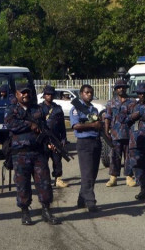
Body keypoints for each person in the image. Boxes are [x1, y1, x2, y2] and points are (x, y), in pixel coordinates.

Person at [5, 82, 59, 225]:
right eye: (22, 92)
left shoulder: (38, 109)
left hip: (38, 153)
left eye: (27, 92)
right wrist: (30, 125)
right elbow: (11, 125)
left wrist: (50, 142)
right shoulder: (12, 110)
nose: (25, 95)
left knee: (44, 182)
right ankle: (25, 212)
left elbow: (44, 128)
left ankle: (46, 210)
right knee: (23, 184)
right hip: (20, 154)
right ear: (17, 94)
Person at [70, 84, 103, 212]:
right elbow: (76, 126)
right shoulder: (76, 109)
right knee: (87, 173)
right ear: (81, 94)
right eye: (86, 92)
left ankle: (81, 199)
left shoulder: (94, 109)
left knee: (93, 174)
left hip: (95, 141)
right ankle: (91, 202)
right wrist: (93, 125)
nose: (89, 94)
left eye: (90, 92)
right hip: (84, 143)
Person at [103, 80, 136, 188]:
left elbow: (136, 116)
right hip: (115, 133)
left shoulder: (132, 102)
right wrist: (106, 131)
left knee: (129, 156)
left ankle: (129, 177)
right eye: (119, 87)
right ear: (116, 89)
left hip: (129, 133)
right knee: (114, 156)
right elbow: (107, 117)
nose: (121, 89)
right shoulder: (111, 102)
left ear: (126, 88)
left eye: (123, 87)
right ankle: (113, 177)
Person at [39, 85, 68, 188]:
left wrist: (64, 138)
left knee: (57, 161)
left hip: (56, 139)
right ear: (44, 95)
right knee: (43, 162)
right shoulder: (39, 108)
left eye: (51, 94)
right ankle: (45, 181)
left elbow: (62, 125)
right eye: (47, 94)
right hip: (43, 140)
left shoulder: (57, 108)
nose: (49, 96)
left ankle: (58, 179)